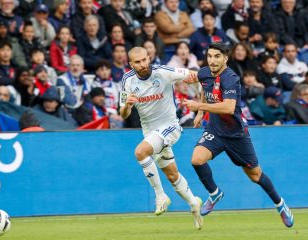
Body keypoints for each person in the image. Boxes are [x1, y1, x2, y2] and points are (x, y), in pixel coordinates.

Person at [182, 42, 294, 227]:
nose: (212, 60)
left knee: (255, 175)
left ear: (225, 58)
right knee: (197, 159)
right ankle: (214, 193)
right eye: (209, 56)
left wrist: (199, 107)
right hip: (215, 130)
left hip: (236, 134)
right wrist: (201, 113)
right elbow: (204, 87)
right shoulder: (204, 73)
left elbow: (228, 106)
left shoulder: (230, 77)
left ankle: (281, 205)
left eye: (217, 56)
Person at [120, 47, 203, 229]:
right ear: (131, 64)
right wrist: (127, 105)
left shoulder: (164, 72)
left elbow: (197, 76)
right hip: (150, 132)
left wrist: (201, 106)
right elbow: (123, 114)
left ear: (149, 58)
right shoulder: (127, 80)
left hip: (170, 127)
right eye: (138, 62)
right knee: (172, 175)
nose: (142, 64)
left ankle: (160, 196)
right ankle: (193, 203)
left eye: (144, 60)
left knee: (140, 152)